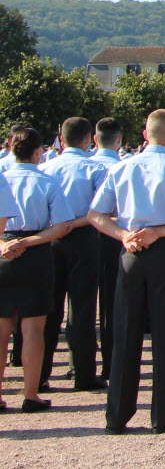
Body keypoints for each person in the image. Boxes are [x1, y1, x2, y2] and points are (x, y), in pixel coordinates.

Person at [87, 109, 165, 434]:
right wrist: (161, 232)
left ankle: (117, 415)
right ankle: (162, 413)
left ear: (144, 134)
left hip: (130, 251)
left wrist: (123, 234)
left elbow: (96, 215)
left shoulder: (123, 167)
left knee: (125, 333)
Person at [0, 127, 75, 413]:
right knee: (33, 329)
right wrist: (30, 241)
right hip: (36, 252)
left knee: (2, 328)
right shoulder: (47, 182)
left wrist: (7, 243)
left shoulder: (2, 179)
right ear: (38, 150)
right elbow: (62, 226)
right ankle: (30, 394)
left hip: (3, 250)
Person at [40, 116, 109, 392]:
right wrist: (74, 222)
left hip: (50, 239)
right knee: (82, 308)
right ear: (88, 138)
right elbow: (101, 210)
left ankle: (41, 373)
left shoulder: (45, 168)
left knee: (49, 308)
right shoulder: (94, 169)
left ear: (61, 135)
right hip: (83, 236)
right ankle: (83, 373)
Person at [90, 117, 124, 382]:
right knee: (112, 301)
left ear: (95, 139)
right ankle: (110, 363)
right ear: (119, 140)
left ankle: (79, 364)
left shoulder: (83, 165)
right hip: (114, 235)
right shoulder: (122, 167)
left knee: (80, 303)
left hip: (81, 234)